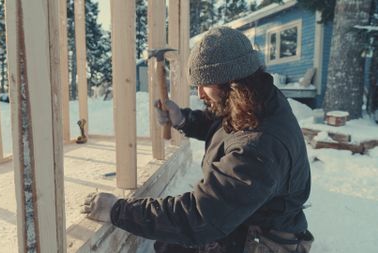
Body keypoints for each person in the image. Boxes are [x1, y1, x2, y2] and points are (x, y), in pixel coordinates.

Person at [81, 26, 313, 253]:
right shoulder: (258, 99)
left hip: (262, 240)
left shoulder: (261, 147)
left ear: (233, 84)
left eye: (206, 84)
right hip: (248, 219)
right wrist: (183, 119)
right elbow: (225, 125)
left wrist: (117, 211)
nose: (200, 93)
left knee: (176, 242)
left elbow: (197, 217)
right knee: (169, 245)